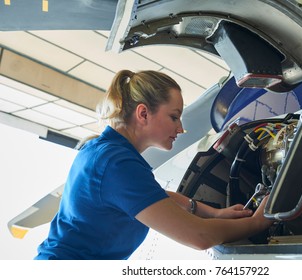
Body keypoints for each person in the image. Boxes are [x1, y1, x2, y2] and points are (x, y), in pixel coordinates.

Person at [34, 69, 273, 260]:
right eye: (173, 116)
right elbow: (199, 236)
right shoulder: (116, 163)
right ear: (143, 113)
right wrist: (256, 223)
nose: (181, 128)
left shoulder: (104, 151)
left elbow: (154, 196)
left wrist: (214, 213)